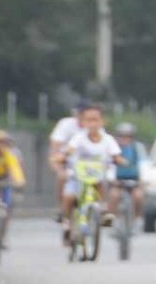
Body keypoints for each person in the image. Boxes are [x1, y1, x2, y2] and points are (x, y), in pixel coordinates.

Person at [53, 104, 125, 243]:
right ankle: (67, 223)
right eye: (89, 120)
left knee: (104, 185)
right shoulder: (79, 138)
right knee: (68, 197)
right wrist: (63, 156)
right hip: (77, 177)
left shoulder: (107, 139)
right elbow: (70, 149)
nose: (92, 123)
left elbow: (115, 154)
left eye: (96, 120)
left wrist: (119, 159)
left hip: (97, 176)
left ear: (103, 121)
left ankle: (103, 210)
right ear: (83, 122)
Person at [48, 102, 88, 220]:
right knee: (62, 177)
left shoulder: (94, 125)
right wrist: (56, 164)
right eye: (80, 113)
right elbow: (55, 145)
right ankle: (62, 208)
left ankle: (97, 208)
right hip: (67, 161)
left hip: (88, 162)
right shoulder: (65, 124)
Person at [108, 123, 147, 225]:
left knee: (138, 196)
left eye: (128, 136)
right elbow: (110, 164)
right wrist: (112, 179)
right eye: (122, 136)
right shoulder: (113, 148)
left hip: (134, 180)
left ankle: (138, 218)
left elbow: (143, 164)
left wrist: (142, 180)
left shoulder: (138, 147)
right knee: (114, 195)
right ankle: (112, 218)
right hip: (118, 180)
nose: (125, 139)